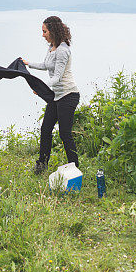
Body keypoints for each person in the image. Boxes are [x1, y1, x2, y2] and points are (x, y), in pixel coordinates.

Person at [22, 16, 81, 174]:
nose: (43, 35)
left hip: (68, 95)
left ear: (53, 30)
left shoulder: (62, 50)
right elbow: (45, 65)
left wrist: (41, 87)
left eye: (45, 31)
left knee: (64, 133)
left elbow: (57, 77)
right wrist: (28, 64)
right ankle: (41, 165)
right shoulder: (52, 48)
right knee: (45, 129)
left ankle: (74, 168)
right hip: (56, 96)